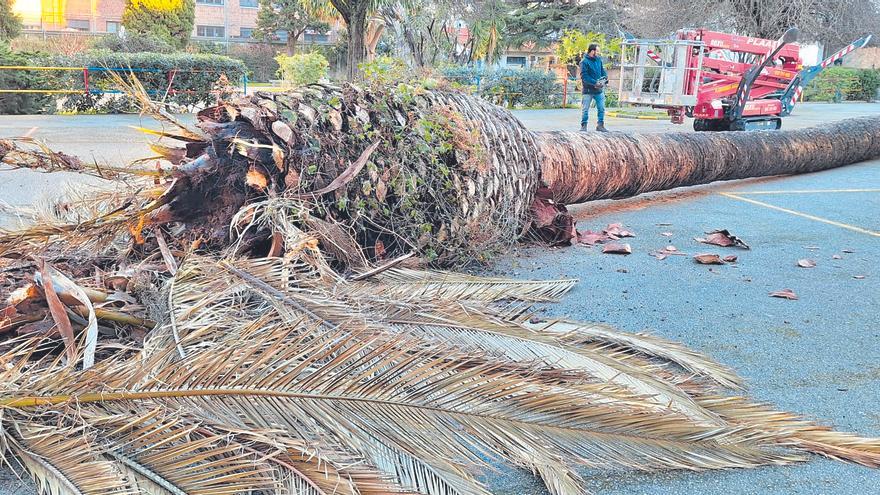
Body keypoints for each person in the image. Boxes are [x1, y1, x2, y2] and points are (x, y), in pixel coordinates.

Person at [580, 43, 608, 132]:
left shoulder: (598, 60)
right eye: (597, 51)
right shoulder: (584, 62)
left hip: (599, 90)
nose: (598, 53)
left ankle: (600, 125)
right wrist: (595, 83)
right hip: (588, 90)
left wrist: (605, 78)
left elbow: (602, 71)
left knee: (601, 108)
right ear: (592, 51)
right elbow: (584, 77)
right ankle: (583, 126)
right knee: (585, 109)